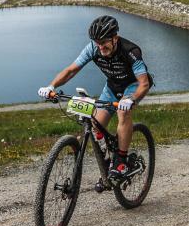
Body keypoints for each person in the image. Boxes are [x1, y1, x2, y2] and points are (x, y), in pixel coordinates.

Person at [38, 15, 151, 178]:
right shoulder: (93, 47)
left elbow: (144, 84)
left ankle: (121, 162)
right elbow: (71, 70)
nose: (100, 47)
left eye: (104, 42)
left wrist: (131, 99)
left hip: (132, 86)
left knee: (123, 112)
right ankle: (107, 164)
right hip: (112, 87)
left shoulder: (131, 51)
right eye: (97, 42)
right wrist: (51, 86)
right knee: (95, 124)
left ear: (115, 38)